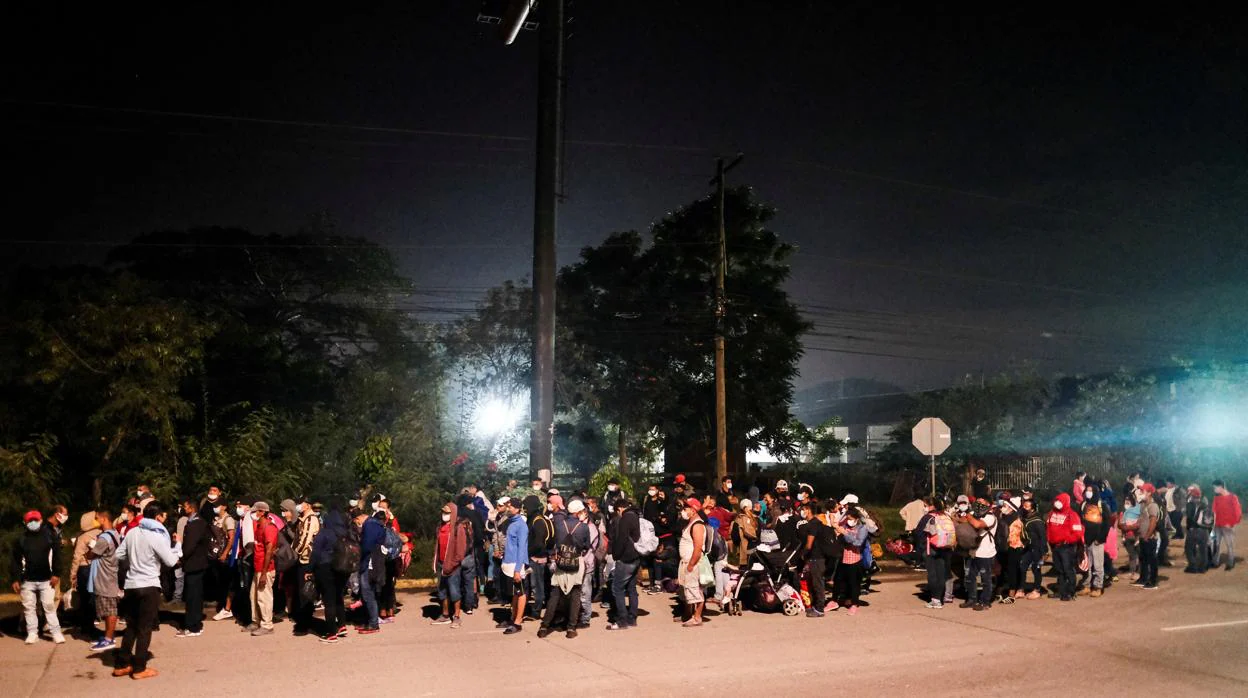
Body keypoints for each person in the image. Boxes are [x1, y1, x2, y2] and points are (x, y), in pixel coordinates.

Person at [113, 501, 181, 680]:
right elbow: (170, 561)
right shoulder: (156, 536)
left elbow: (119, 555)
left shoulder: (132, 532)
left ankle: (122, 664)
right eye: (164, 516)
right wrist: (177, 547)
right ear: (158, 517)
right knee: (145, 628)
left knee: (131, 626)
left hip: (131, 585)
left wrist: (134, 557)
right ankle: (139, 668)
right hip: (149, 585)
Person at [538, 499, 591, 639]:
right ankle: (571, 628)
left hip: (561, 560)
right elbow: (586, 546)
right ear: (579, 512)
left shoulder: (559, 524)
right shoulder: (583, 527)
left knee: (555, 594)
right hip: (576, 561)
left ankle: (544, 626)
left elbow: (552, 542)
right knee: (575, 594)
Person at [12, 510, 65, 645]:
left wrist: (56, 574)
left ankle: (56, 633)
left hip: (47, 578)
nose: (33, 523)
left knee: (49, 606)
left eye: (35, 520)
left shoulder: (49, 535)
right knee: (29, 608)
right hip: (27, 580)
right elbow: (15, 561)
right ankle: (32, 633)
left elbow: (57, 556)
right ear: (25, 523)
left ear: (41, 520)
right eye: (30, 521)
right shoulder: (21, 539)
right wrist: (16, 579)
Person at [432, 501, 474, 629]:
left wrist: (453, 564)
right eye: (443, 512)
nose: (444, 514)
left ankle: (456, 616)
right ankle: (445, 615)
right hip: (441, 564)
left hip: (453, 566)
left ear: (453, 513)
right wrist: (435, 562)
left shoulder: (458, 527)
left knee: (454, 591)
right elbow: (437, 546)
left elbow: (460, 551)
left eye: (447, 513)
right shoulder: (440, 527)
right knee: (442, 591)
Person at [311, 509, 350, 643]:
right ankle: (342, 625)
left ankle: (331, 632)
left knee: (328, 601)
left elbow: (315, 554)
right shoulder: (344, 533)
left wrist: (309, 570)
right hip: (342, 568)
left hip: (325, 569)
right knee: (338, 597)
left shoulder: (324, 533)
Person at [87, 511, 123, 652]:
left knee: (109, 610)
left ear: (103, 519)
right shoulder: (114, 533)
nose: (95, 522)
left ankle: (109, 639)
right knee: (108, 609)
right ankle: (108, 635)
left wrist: (90, 547)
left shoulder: (104, 539)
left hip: (105, 577)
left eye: (96, 519)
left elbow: (92, 555)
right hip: (110, 574)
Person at [178, 498, 213, 637]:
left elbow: (189, 546)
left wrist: (181, 558)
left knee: (193, 596)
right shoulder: (195, 523)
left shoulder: (196, 524)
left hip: (194, 564)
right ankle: (195, 623)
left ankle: (193, 626)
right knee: (195, 595)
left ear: (191, 508)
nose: (183, 509)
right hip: (196, 564)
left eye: (185, 507)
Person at [607, 498, 641, 631]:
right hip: (636, 556)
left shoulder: (625, 518)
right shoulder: (636, 515)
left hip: (626, 558)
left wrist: (616, 555)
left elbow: (621, 539)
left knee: (617, 589)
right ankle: (632, 618)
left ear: (620, 508)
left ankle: (622, 620)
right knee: (632, 589)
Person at [247, 501, 279, 635]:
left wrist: (264, 573)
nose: (253, 514)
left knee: (264, 597)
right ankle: (256, 621)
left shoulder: (269, 528)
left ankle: (267, 625)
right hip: (258, 567)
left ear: (262, 512)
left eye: (255, 511)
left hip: (265, 569)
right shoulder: (259, 526)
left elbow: (269, 550)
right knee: (253, 596)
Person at [290, 496, 321, 635]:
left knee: (306, 592)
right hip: (302, 559)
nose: (298, 506)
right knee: (301, 591)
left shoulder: (310, 519)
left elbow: (305, 540)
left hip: (307, 560)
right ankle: (303, 620)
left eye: (300, 504)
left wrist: (294, 553)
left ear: (307, 505)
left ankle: (305, 623)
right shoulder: (303, 519)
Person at [70, 510, 102, 640]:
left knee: (85, 598)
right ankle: (92, 623)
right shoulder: (102, 534)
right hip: (98, 568)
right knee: (94, 598)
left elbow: (76, 557)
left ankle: (86, 625)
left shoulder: (82, 537)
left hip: (84, 569)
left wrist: (72, 574)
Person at [676, 498, 708, 627]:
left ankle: (697, 617)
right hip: (685, 562)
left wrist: (691, 565)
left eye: (686, 508)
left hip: (692, 563)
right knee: (685, 590)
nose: (684, 511)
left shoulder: (697, 525)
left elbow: (698, 547)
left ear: (693, 510)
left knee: (695, 590)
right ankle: (687, 614)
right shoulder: (690, 523)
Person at [355, 506, 386, 634]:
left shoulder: (369, 526)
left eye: (356, 522)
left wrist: (359, 552)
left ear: (359, 518)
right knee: (368, 593)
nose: (357, 525)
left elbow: (367, 546)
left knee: (368, 593)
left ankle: (373, 624)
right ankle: (369, 621)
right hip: (373, 563)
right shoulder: (374, 524)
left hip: (370, 563)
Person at [1046, 492, 1083, 601]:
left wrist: (1067, 540)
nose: (1057, 503)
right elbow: (1048, 527)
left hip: (1066, 547)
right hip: (1055, 546)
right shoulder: (1052, 513)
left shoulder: (1072, 515)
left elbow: (1077, 533)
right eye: (1056, 500)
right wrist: (1050, 540)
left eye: (1060, 501)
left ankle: (1070, 592)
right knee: (1059, 570)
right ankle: (1061, 591)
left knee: (1068, 570)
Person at [500, 497, 529, 635]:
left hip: (516, 564)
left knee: (520, 592)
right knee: (514, 593)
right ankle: (513, 617)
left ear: (517, 509)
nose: (508, 508)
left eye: (510, 506)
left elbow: (522, 548)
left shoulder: (521, 525)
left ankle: (518, 622)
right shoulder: (511, 522)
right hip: (508, 562)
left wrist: (518, 569)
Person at [961, 501, 997, 611]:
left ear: (988, 503)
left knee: (985, 578)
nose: (979, 504)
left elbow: (977, 524)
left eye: (982, 502)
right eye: (978, 501)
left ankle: (985, 602)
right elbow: (962, 521)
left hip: (986, 553)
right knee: (969, 577)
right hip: (973, 552)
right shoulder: (974, 513)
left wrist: (967, 515)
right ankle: (972, 599)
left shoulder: (991, 517)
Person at [835, 506, 871, 615]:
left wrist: (845, 533)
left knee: (854, 583)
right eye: (848, 518)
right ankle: (842, 599)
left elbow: (858, 543)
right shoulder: (845, 526)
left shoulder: (862, 528)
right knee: (840, 581)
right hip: (844, 558)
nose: (849, 521)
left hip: (855, 559)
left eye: (851, 518)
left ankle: (854, 603)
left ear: (856, 518)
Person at [799, 502, 831, 617]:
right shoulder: (817, 523)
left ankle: (819, 609)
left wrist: (803, 554)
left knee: (818, 583)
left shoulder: (813, 525)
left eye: (804, 509)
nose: (802, 511)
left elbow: (809, 544)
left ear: (808, 510)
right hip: (818, 557)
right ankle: (817, 605)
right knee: (816, 582)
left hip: (816, 558)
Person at [1079, 485, 1108, 597]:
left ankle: (1097, 586)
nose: (1088, 492)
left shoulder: (1102, 505)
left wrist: (1100, 538)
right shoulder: (1083, 504)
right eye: (1087, 490)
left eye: (1091, 491)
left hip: (1097, 541)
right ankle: (1086, 585)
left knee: (1098, 565)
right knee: (1086, 564)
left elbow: (1107, 523)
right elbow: (1079, 520)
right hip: (1085, 540)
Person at [1133, 484, 1161, 589]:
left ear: (1149, 493)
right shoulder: (1143, 505)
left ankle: (1153, 581)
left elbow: (1153, 522)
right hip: (1143, 536)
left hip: (1149, 537)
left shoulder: (1153, 506)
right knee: (1143, 559)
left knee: (1151, 559)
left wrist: (1147, 535)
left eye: (1142, 491)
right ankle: (1143, 578)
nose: (1140, 493)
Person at [999, 498, 1027, 602]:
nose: (1003, 508)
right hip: (1005, 547)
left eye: (1005, 506)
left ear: (1011, 509)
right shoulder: (1004, 517)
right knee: (1005, 569)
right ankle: (1005, 588)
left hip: (1014, 548)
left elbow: (1013, 537)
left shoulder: (1015, 521)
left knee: (1012, 570)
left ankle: (1012, 591)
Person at [1020, 498, 1047, 599]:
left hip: (1037, 548)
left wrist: (1044, 551)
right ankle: (1021, 589)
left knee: (1036, 568)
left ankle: (1037, 590)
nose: (1024, 507)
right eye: (1024, 505)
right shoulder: (1025, 517)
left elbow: (1043, 536)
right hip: (1028, 547)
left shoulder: (1037, 521)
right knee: (1022, 566)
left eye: (1027, 506)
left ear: (1032, 508)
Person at [1211, 480, 1242, 571]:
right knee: (1216, 544)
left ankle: (1230, 563)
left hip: (1228, 526)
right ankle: (1215, 562)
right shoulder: (1216, 498)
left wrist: (1231, 523)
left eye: (1215, 488)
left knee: (1229, 545)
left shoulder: (1233, 497)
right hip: (1217, 525)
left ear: (1220, 487)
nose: (1214, 490)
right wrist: (1213, 524)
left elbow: (1238, 512)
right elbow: (1214, 512)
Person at [1184, 485, 1213, 574]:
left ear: (1192, 496)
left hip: (1193, 530)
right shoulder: (1205, 505)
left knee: (1188, 548)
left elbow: (1189, 517)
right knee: (1203, 549)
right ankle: (1202, 568)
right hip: (1203, 531)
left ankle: (1192, 566)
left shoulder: (1190, 505)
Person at [1118, 492, 1142, 580]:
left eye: (1128, 502)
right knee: (1132, 555)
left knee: (1139, 555)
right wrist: (1125, 527)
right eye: (1125, 502)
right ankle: (1132, 572)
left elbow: (1140, 523)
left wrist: (1130, 526)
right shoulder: (1124, 512)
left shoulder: (1140, 508)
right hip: (1128, 536)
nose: (1126, 504)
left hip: (1137, 535)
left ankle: (1139, 573)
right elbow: (1120, 524)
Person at [730, 498, 759, 568]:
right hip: (757, 551)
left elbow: (735, 537)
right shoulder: (756, 519)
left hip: (743, 551)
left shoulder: (737, 520)